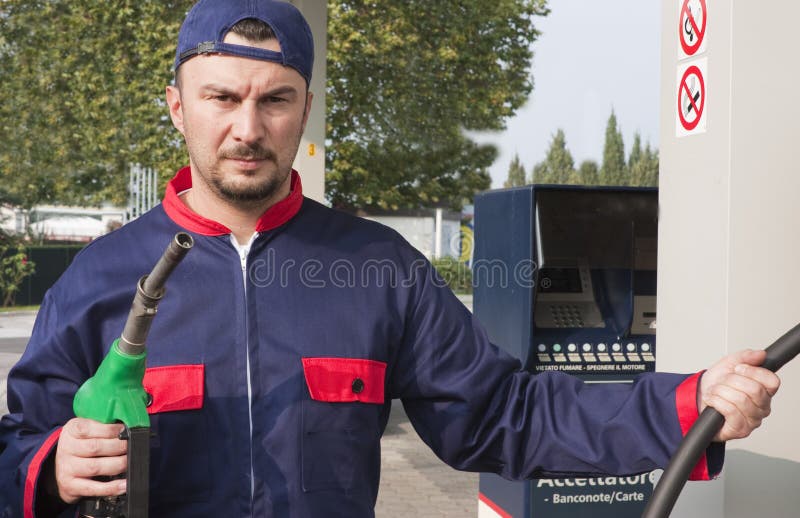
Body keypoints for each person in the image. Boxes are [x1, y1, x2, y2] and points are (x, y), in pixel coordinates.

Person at [0, 1, 781, 516]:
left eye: (275, 100)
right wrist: (49, 464)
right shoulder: (101, 279)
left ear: (304, 110)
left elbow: (504, 416)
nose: (248, 127)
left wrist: (688, 404)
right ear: (178, 106)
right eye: (221, 97)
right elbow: (17, 450)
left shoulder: (376, 268)